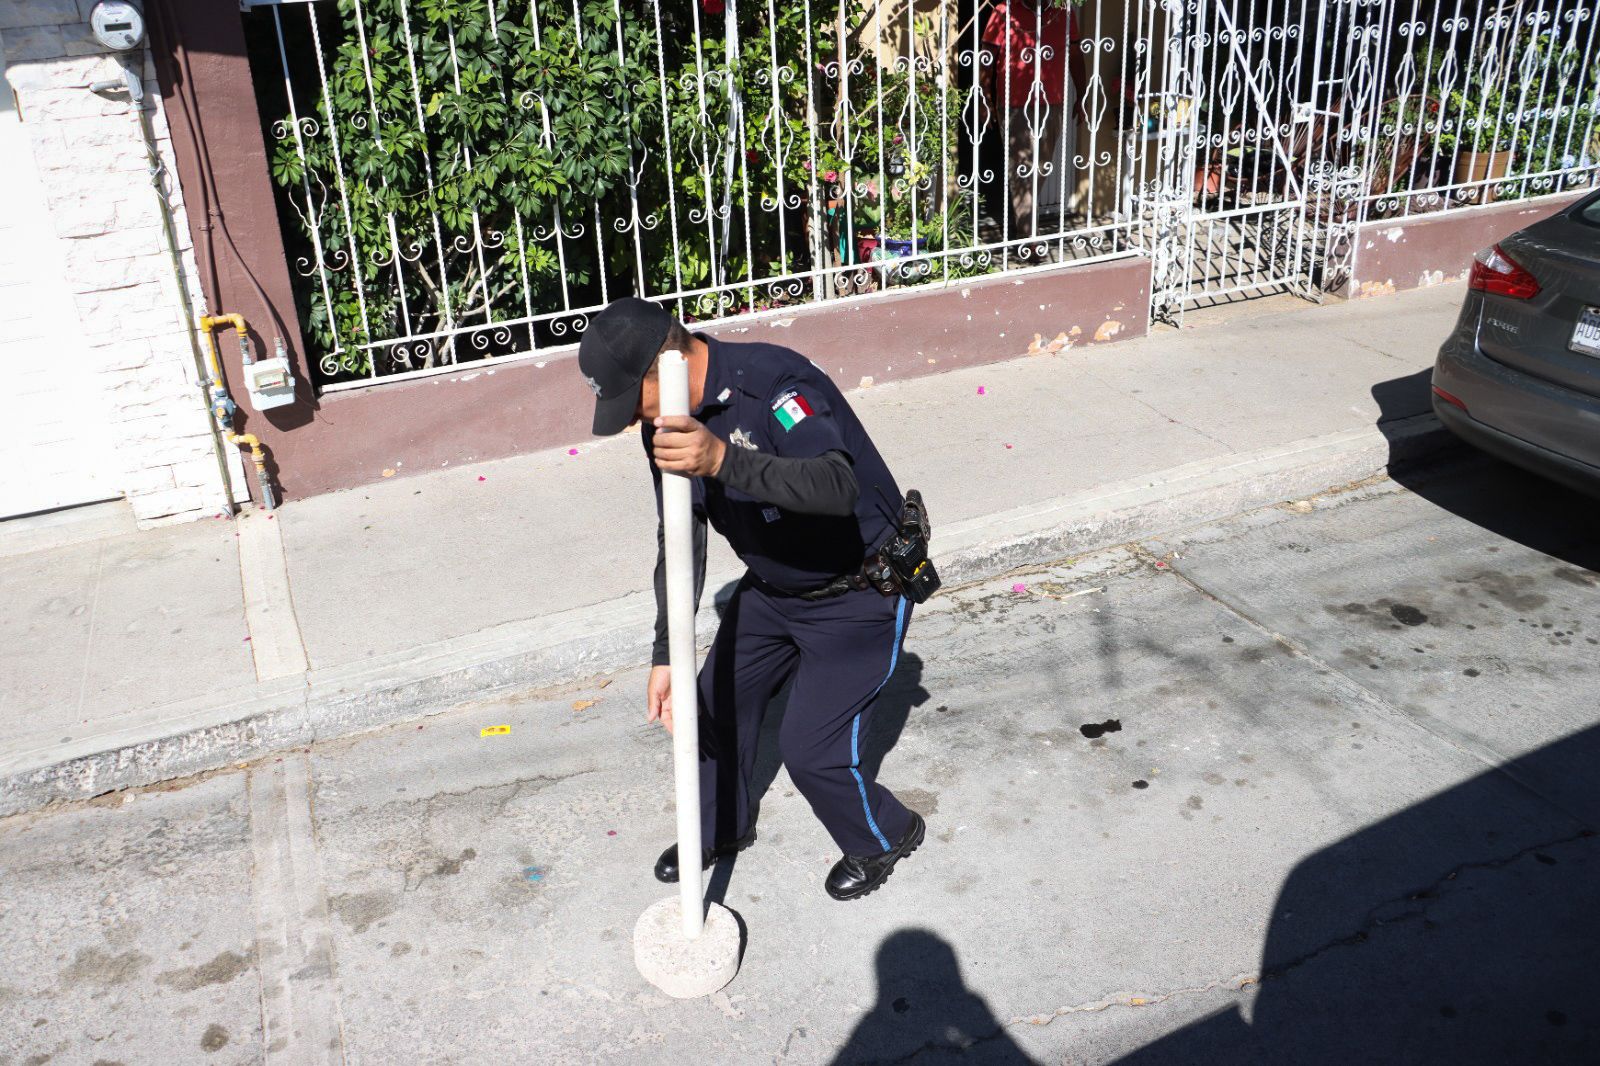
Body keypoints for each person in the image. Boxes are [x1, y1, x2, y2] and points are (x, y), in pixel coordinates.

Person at [578, 297, 929, 902]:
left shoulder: (773, 384)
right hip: (773, 587)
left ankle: (884, 834)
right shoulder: (668, 423)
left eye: (633, 403)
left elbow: (835, 484)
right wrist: (667, 652)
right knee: (707, 706)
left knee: (810, 751)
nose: (635, 421)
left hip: (858, 588)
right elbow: (679, 535)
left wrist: (720, 459)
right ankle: (719, 828)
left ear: (665, 366)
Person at [980, 0, 1090, 241]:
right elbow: (986, 58)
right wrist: (985, 99)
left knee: (1040, 167)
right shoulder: (1004, 11)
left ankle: (1023, 222)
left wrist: (1082, 97)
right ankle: (1029, 237)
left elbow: (1075, 54)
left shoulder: (1063, 12)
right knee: (1021, 169)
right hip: (1014, 104)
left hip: (1052, 102)